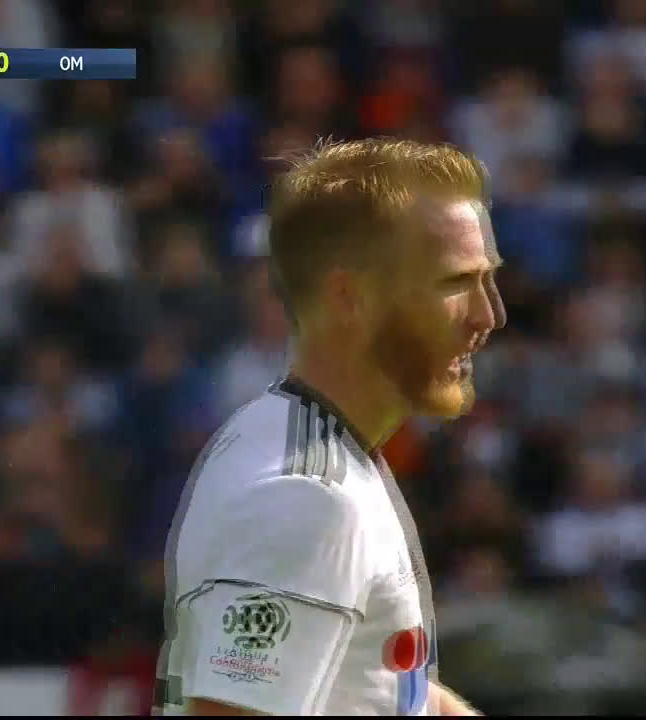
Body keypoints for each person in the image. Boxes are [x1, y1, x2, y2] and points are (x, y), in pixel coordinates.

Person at [154, 138, 506, 716]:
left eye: (487, 281)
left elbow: (381, 684)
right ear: (350, 296)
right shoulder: (307, 496)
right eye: (454, 283)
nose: (488, 315)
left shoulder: (311, 445)